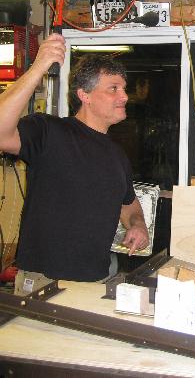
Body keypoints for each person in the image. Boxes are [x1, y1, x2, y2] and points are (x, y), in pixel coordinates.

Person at [0, 33, 149, 294]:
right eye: (113, 88)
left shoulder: (117, 155)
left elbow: (130, 206)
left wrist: (138, 225)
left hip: (96, 282)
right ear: (85, 95)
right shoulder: (49, 130)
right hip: (44, 283)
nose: (124, 96)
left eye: (124, 88)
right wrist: (38, 67)